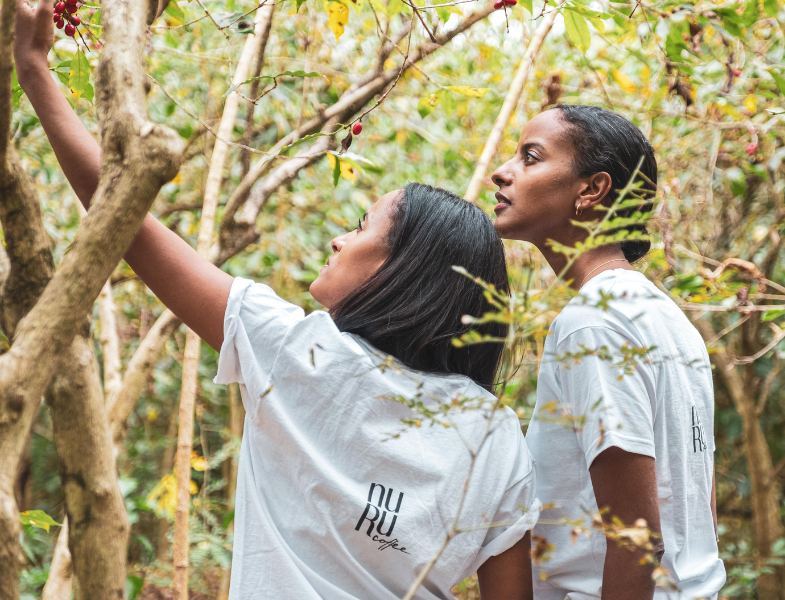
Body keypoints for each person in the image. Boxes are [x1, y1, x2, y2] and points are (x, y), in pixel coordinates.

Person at [14, 3, 539, 598]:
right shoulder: (496, 435)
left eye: (362, 225)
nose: (340, 238)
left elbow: (127, 222)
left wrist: (35, 70)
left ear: (405, 269)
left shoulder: (300, 354)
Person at [489, 105, 726, 600]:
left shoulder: (592, 323)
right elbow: (699, 496)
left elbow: (638, 538)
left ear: (591, 190)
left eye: (530, 157)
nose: (502, 171)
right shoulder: (667, 318)